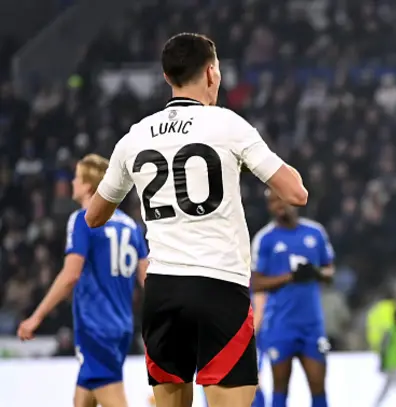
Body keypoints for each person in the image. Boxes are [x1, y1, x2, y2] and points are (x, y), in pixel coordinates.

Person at [83, 33, 307, 407]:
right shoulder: (227, 125)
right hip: (219, 287)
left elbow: (94, 216)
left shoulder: (134, 137)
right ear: (211, 73)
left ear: (167, 77)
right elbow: (296, 193)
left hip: (163, 292)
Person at [17, 154, 149, 407]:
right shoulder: (131, 227)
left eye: (77, 177)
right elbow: (147, 279)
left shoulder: (83, 219)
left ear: (89, 185)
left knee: (110, 392)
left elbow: (70, 275)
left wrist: (37, 316)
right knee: (84, 394)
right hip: (121, 325)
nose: (73, 183)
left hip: (95, 325)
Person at [250, 189, 335, 407]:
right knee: (280, 386)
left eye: (281, 199)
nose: (278, 205)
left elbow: (329, 272)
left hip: (311, 325)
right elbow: (256, 283)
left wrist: (315, 273)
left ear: (292, 201)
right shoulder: (265, 239)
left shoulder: (315, 233)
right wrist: (289, 277)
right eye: (272, 202)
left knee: (318, 384)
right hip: (280, 325)